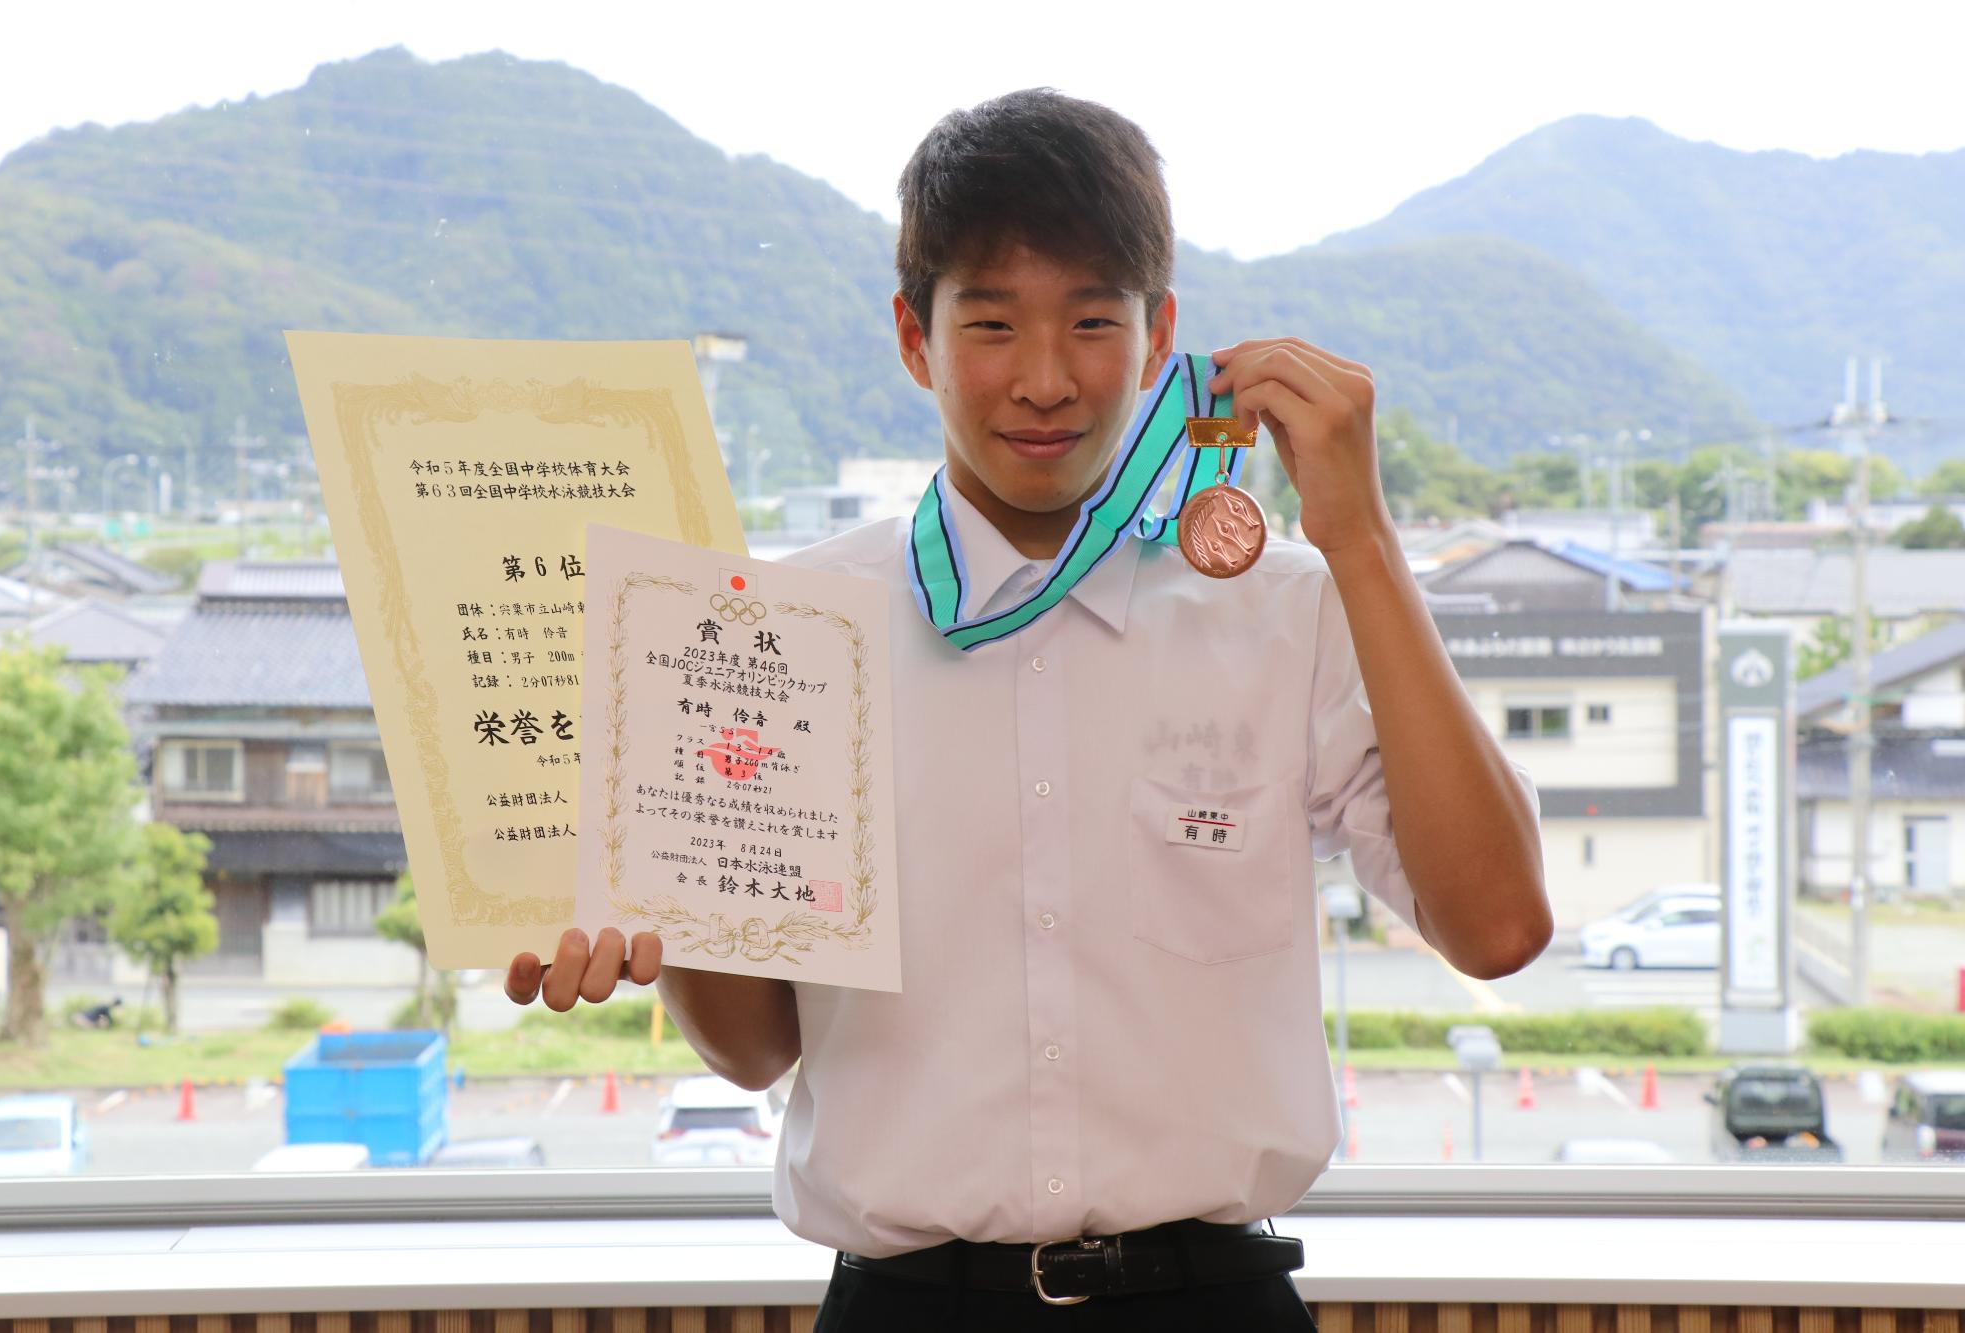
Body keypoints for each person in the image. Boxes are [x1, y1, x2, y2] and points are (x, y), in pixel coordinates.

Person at [508, 89, 1550, 1329]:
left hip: (1208, 1301)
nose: (1045, 382)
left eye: (1093, 321)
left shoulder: (1287, 607)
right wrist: (659, 902)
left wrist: (1361, 536)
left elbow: (1493, 928)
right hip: (905, 1307)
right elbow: (749, 1050)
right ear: (914, 337)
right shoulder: (781, 634)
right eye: (991, 323)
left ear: (1161, 335)